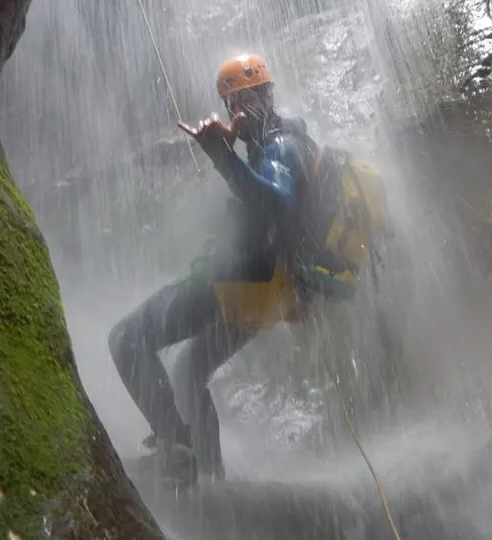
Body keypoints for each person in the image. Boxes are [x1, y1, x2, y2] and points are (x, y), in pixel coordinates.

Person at [108, 53, 386, 485]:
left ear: (267, 95)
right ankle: (212, 481)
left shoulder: (279, 144)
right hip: (272, 294)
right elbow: (291, 220)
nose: (238, 110)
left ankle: (176, 449)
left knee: (127, 338)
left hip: (245, 282)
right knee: (189, 370)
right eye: (232, 102)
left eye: (247, 97)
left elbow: (274, 202)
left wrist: (221, 155)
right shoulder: (291, 144)